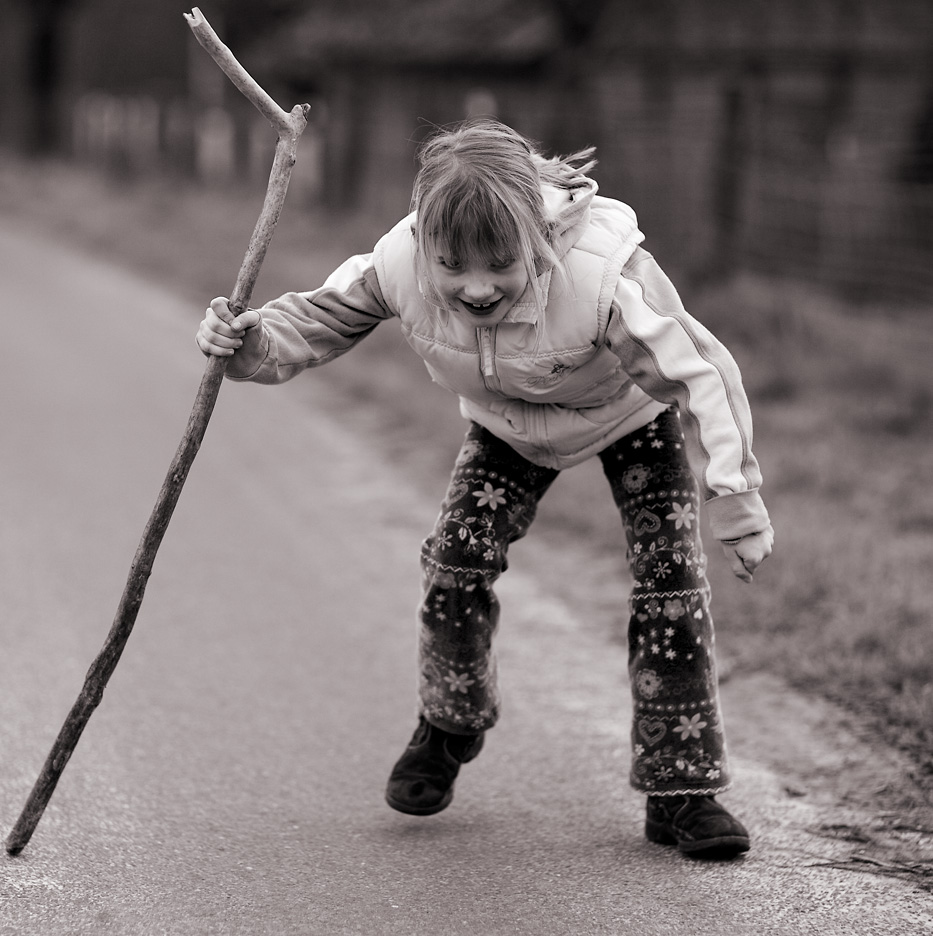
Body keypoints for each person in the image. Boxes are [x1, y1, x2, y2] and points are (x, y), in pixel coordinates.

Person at [196, 118, 774, 860]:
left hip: (628, 417)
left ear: (537, 235)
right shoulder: (400, 261)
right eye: (453, 266)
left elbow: (702, 372)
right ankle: (450, 722)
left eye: (501, 264)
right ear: (424, 241)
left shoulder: (603, 275)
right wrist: (248, 343)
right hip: (506, 428)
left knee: (670, 588)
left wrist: (733, 493)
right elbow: (313, 320)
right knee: (454, 567)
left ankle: (682, 790)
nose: (474, 287)